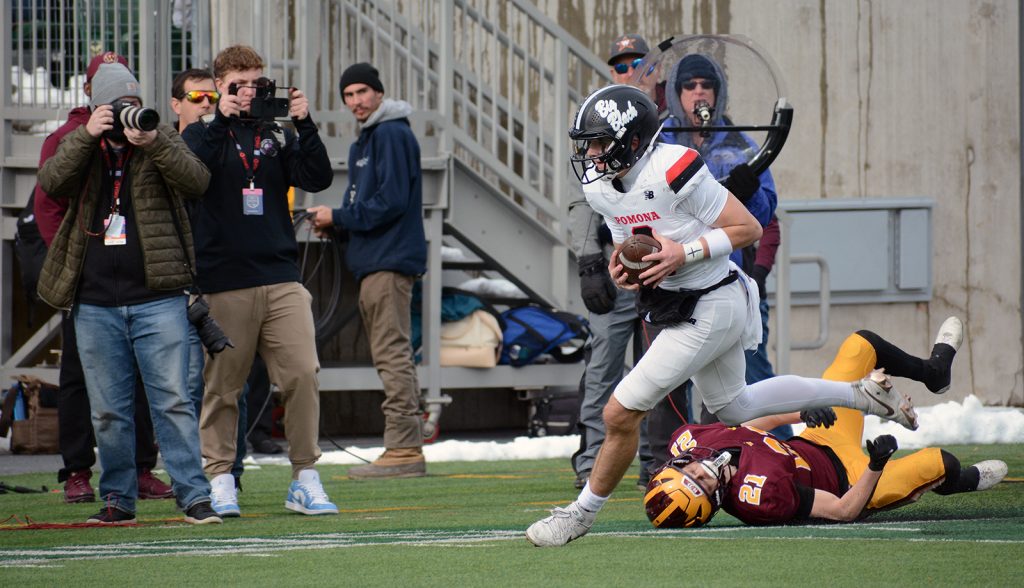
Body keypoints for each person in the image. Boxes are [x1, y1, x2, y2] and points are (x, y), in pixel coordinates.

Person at [525, 84, 917, 547]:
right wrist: (624, 267)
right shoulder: (601, 186)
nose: (590, 154)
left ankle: (580, 515)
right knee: (736, 407)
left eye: (598, 142)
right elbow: (635, 236)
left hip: (712, 302)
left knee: (620, 411)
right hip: (685, 304)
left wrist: (683, 253)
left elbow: (747, 227)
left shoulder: (672, 167)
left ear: (632, 141)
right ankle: (862, 395)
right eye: (586, 143)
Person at [35, 63, 220, 525]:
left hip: (158, 296)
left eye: (131, 107)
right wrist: (86, 136)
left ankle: (194, 496)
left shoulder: (158, 137)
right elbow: (52, 183)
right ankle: (118, 499)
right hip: (95, 301)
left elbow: (198, 181)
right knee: (109, 413)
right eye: (115, 109)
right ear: (97, 108)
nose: (125, 117)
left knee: (173, 401)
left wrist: (154, 142)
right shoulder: (79, 144)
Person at [645, 317, 1009, 527]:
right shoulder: (756, 498)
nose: (702, 471)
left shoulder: (693, 441)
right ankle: (961, 481)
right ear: (715, 499)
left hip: (820, 439)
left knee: (860, 345)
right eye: (702, 484)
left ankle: (933, 372)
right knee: (940, 463)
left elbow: (755, 427)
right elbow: (842, 510)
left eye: (690, 472)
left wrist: (803, 413)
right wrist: (875, 466)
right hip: (850, 480)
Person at [182, 45, 336, 516]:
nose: (249, 92)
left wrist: (304, 124)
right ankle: (220, 475)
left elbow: (318, 175)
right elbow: (193, 177)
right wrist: (221, 120)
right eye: (238, 85)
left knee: (303, 373)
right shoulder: (199, 134)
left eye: (257, 84)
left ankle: (305, 475)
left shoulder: (275, 134)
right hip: (224, 278)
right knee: (223, 385)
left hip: (280, 272)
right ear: (220, 86)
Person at [32, 51, 173, 505]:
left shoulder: (143, 134)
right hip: (85, 278)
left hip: (135, 279)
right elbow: (48, 202)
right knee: (76, 375)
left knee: (139, 376)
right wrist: (68, 262)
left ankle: (141, 467)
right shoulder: (68, 136)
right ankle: (77, 469)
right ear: (90, 92)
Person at [306, 62, 427, 479]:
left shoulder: (391, 133)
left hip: (388, 263)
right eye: (348, 95)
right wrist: (337, 226)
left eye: (362, 92)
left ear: (378, 93)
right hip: (376, 261)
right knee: (390, 353)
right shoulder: (371, 136)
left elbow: (391, 201)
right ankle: (403, 444)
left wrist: (337, 217)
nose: (356, 101)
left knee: (393, 354)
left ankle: (405, 447)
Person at [661, 53, 788, 439]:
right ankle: (677, 458)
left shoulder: (742, 144)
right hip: (673, 281)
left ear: (719, 92)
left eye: (706, 85)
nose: (699, 93)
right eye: (689, 86)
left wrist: (746, 193)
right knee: (670, 379)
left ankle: (778, 452)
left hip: (729, 278)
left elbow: (766, 215)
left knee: (749, 375)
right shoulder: (658, 142)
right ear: (675, 93)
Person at [571, 34, 670, 491]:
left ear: (653, 70)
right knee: (603, 368)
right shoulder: (598, 116)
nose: (627, 71)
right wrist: (590, 261)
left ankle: (659, 460)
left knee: (664, 373)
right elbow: (582, 201)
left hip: (666, 265)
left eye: (636, 64)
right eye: (619, 65)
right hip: (618, 265)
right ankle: (592, 460)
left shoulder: (678, 122)